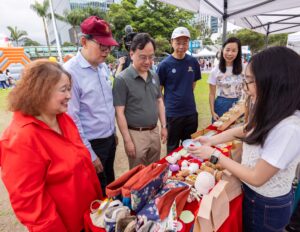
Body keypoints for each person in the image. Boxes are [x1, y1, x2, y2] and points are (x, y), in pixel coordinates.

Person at [189, 46, 300, 232]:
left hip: (266, 205)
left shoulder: (289, 128)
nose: (245, 89)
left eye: (248, 81)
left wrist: (215, 155)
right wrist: (211, 141)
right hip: (254, 195)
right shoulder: (274, 109)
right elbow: (246, 130)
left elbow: (257, 177)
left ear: (271, 82)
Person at [0, 60, 102, 231]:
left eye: (69, 89)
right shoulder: (21, 138)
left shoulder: (64, 119)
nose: (70, 95)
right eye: (64, 90)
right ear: (40, 92)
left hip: (90, 217)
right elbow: (32, 206)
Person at [64, 16, 118, 195]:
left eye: (109, 47)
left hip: (109, 138)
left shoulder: (102, 67)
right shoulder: (70, 72)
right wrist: (90, 154)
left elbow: (106, 104)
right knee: (97, 190)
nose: (106, 52)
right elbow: (73, 118)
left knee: (111, 182)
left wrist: (113, 132)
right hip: (92, 143)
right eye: (102, 46)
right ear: (84, 41)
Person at [113, 33, 167, 169]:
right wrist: (127, 140)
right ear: (132, 54)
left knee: (154, 169)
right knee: (138, 175)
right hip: (136, 134)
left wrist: (164, 126)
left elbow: (159, 101)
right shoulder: (122, 80)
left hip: (154, 131)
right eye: (143, 57)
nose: (148, 62)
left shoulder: (154, 75)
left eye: (151, 57)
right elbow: (119, 113)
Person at [157, 27, 201, 154]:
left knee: (190, 147)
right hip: (173, 115)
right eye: (178, 42)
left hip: (190, 113)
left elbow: (192, 84)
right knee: (173, 149)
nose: (181, 46)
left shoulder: (193, 62)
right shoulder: (164, 65)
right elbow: (159, 92)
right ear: (172, 42)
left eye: (185, 42)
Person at [208, 37, 243, 121]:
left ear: (238, 52)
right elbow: (212, 94)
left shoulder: (244, 69)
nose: (230, 53)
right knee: (219, 131)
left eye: (234, 50)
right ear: (222, 50)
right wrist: (213, 112)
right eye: (227, 50)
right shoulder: (215, 71)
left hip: (239, 106)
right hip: (221, 106)